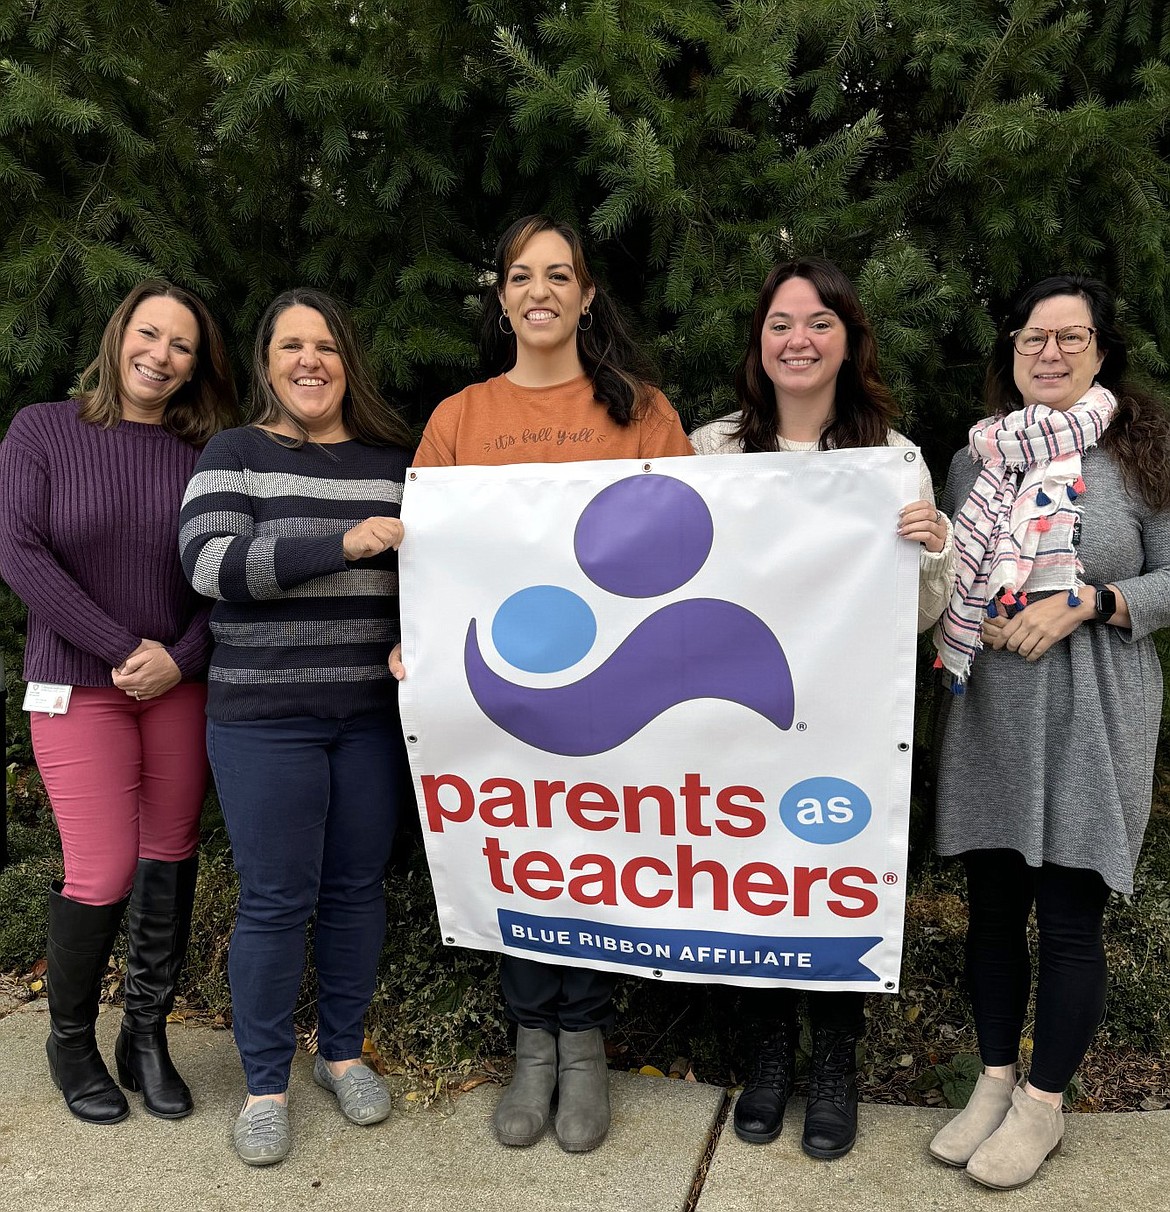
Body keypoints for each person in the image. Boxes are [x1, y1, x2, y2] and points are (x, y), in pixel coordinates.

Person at [403, 214, 693, 1153]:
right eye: (521, 275)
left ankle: (585, 1042)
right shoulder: (460, 419)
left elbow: (702, 540)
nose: (540, 291)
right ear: (501, 297)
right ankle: (534, 1041)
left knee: (598, 860)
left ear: (586, 295)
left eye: (559, 275)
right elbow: (429, 560)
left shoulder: (640, 411)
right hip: (502, 691)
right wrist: (417, 645)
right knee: (519, 855)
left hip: (615, 683)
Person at [690, 256, 953, 1159]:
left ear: (848, 341)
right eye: (780, 323)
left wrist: (931, 548)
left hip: (843, 722)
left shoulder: (891, 457)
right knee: (754, 878)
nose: (797, 340)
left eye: (818, 324)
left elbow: (919, 614)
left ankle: (834, 1062)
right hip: (737, 717)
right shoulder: (711, 449)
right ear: (759, 341)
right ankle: (766, 1061)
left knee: (831, 879)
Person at [928, 274, 1170, 1189]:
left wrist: (1092, 601)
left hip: (1095, 706)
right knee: (991, 912)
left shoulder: (1143, 454)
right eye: (1034, 339)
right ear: (1013, 353)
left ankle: (1043, 1105)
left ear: (1103, 352)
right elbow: (952, 573)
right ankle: (993, 1082)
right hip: (994, 703)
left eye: (1071, 338)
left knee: (1069, 917)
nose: (1051, 354)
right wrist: (969, 603)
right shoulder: (974, 462)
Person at [178, 288, 413, 1166]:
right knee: (278, 899)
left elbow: (432, 579)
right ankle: (266, 1083)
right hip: (263, 719)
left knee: (356, 890)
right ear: (267, 362)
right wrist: (343, 545)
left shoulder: (393, 462)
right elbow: (210, 564)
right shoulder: (234, 452)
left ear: (347, 358)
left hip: (368, 719)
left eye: (325, 345)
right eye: (290, 347)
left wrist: (410, 642)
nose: (309, 361)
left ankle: (341, 1053)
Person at [0, 280, 237, 1124]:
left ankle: (146, 1035)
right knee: (100, 871)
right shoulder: (42, 429)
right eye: (149, 334)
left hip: (176, 686)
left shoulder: (206, 453)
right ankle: (70, 1041)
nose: (160, 355)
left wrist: (177, 659)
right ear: (119, 335)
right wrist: (122, 650)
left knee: (169, 855)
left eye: (181, 345)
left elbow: (226, 574)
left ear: (196, 363)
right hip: (79, 688)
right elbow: (21, 553)